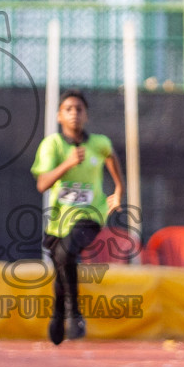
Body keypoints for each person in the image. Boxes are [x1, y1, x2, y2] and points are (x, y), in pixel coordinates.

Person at [32, 90, 124, 345]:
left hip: (91, 214)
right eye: (69, 109)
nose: (74, 114)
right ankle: (58, 312)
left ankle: (74, 314)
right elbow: (43, 184)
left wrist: (118, 190)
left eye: (79, 109)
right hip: (59, 219)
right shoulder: (53, 145)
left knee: (65, 253)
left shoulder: (99, 143)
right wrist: (67, 164)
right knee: (62, 259)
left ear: (87, 115)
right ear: (60, 115)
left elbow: (111, 157)